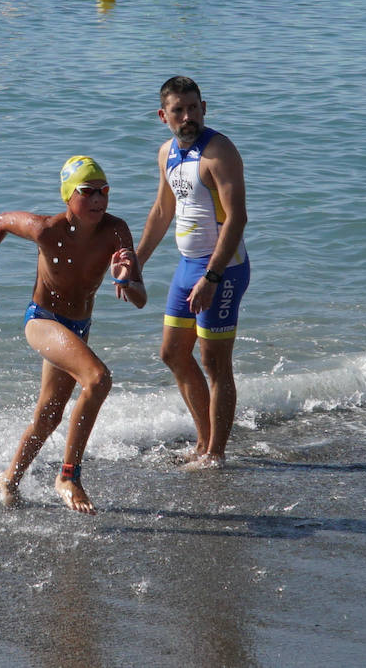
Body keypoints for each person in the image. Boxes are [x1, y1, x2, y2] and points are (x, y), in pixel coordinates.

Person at [0, 156, 147, 513]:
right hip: (42, 320)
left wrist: (124, 278)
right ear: (68, 196)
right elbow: (2, 221)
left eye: (104, 191)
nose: (98, 199)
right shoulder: (47, 230)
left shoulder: (116, 231)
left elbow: (140, 299)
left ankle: (9, 479)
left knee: (49, 417)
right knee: (98, 379)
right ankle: (68, 476)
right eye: (87, 191)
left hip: (78, 328)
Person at [137, 76, 250, 471]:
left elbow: (237, 219)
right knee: (172, 353)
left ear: (205, 106)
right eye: (178, 110)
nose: (188, 117)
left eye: (194, 108)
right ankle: (203, 442)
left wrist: (213, 277)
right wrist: (137, 261)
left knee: (215, 363)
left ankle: (215, 454)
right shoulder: (167, 152)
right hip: (187, 267)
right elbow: (161, 212)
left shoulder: (218, 152)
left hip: (223, 268)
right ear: (163, 115)